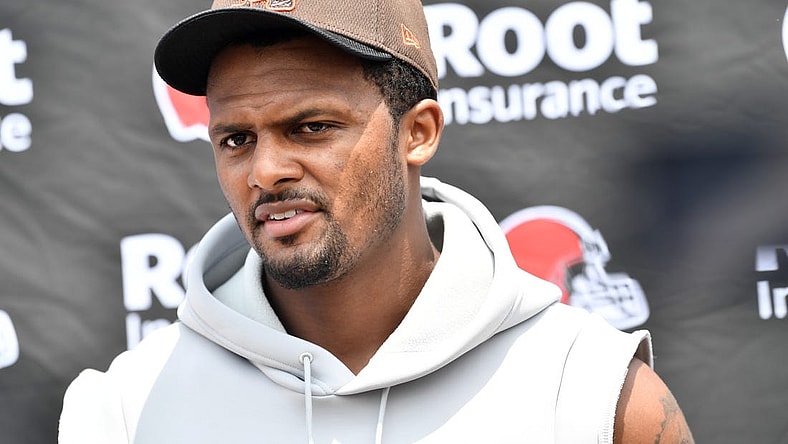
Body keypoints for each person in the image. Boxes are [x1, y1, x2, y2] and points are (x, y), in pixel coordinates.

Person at [59, 0, 694, 442]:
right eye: (236, 139)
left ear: (418, 133)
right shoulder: (124, 411)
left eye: (312, 127)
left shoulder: (589, 393)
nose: (266, 171)